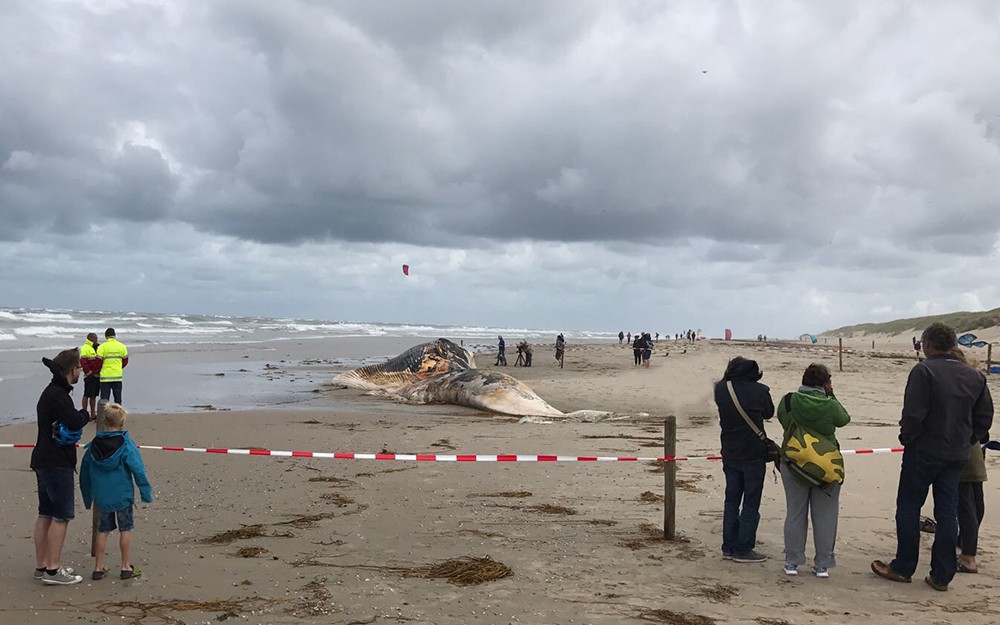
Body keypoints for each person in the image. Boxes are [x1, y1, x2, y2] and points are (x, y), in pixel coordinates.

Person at [872, 322, 993, 591]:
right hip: (955, 453)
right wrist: (968, 439)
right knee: (947, 511)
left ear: (927, 344)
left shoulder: (924, 370)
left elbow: (913, 415)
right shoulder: (974, 375)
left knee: (909, 506)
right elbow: (985, 418)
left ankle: (903, 567)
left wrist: (909, 439)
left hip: (925, 451)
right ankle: (942, 574)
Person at [777, 363, 851, 578]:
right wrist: (832, 395)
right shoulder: (830, 405)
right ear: (826, 383)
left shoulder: (789, 401)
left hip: (793, 461)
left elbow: (783, 420)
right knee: (826, 514)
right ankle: (822, 565)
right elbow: (844, 419)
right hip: (826, 464)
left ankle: (792, 561)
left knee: (795, 512)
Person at [30, 348, 91, 585]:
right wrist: (85, 414)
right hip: (55, 462)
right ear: (72, 370)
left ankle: (42, 565)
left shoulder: (53, 392)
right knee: (61, 515)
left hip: (44, 459)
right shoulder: (57, 395)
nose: (81, 373)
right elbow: (74, 420)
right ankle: (53, 570)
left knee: (45, 512)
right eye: (79, 369)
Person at [80, 403, 152, 580]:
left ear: (104, 421)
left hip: (103, 496)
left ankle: (98, 567)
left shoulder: (93, 446)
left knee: (102, 530)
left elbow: (84, 474)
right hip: (122, 495)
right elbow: (138, 469)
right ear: (122, 423)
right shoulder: (126, 443)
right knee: (125, 529)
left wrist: (87, 497)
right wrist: (145, 492)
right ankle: (125, 566)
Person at [714, 356, 775, 563]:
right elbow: (769, 413)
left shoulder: (720, 389)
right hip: (753, 454)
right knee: (750, 502)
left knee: (731, 500)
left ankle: (728, 546)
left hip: (730, 451)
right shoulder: (761, 391)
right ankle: (743, 548)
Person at [952, 348, 988, 574]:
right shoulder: (975, 382)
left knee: (967, 504)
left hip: (963, 447)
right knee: (975, 500)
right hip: (973, 445)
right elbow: (984, 417)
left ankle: (968, 555)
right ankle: (965, 545)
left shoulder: (961, 385)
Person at [96, 328, 128, 404]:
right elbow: (125, 361)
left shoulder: (102, 347)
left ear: (106, 336)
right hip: (117, 376)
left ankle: (104, 415)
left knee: (104, 399)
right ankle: (118, 414)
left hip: (105, 377)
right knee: (118, 398)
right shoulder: (122, 346)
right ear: (115, 335)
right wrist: (119, 367)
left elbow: (98, 362)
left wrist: (98, 371)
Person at [79, 333, 101, 420]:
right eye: (95, 338)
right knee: (87, 394)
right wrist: (89, 372)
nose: (97, 340)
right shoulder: (85, 348)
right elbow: (83, 362)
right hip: (89, 375)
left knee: (94, 395)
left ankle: (92, 414)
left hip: (96, 375)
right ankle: (84, 414)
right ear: (91, 339)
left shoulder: (97, 347)